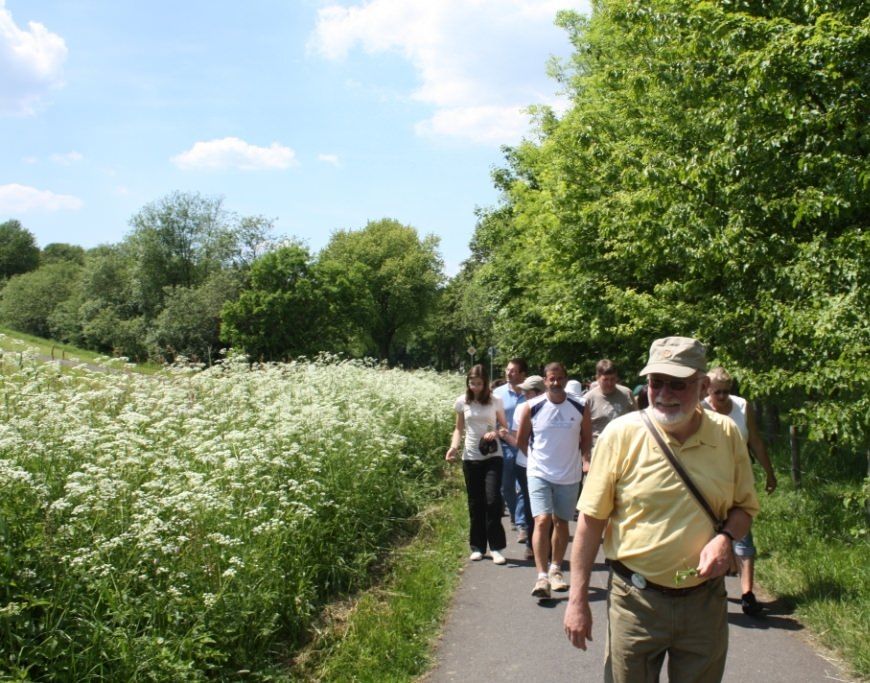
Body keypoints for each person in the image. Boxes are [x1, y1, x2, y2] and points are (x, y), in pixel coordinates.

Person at [564, 337, 760, 682]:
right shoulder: (620, 434)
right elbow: (590, 524)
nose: (664, 393)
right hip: (634, 603)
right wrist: (577, 601)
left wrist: (726, 538)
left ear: (702, 386)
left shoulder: (726, 434)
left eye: (677, 384)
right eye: (657, 382)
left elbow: (744, 508)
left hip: (704, 605)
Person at [702, 366, 777, 616]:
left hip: (739, 480)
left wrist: (769, 471)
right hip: (709, 482)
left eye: (726, 392)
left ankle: (747, 593)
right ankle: (713, 591)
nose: (722, 397)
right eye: (717, 392)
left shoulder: (742, 407)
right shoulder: (699, 409)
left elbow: (754, 440)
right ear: (708, 390)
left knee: (743, 534)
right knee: (710, 535)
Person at [517, 362, 592, 598]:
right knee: (542, 520)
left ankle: (556, 569)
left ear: (565, 379)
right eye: (551, 378)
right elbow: (522, 440)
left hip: (569, 475)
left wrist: (584, 461)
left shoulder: (580, 407)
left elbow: (586, 439)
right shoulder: (532, 407)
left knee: (561, 522)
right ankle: (541, 577)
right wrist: (537, 461)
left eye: (560, 378)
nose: (556, 383)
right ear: (545, 380)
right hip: (539, 472)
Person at [446, 364, 510, 565]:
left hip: (492, 455)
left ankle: (496, 548)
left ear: (485, 384)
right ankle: (478, 547)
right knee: (476, 502)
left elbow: (504, 427)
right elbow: (458, 429)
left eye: (479, 383)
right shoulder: (462, 401)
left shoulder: (495, 401)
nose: (475, 387)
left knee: (492, 500)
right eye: (471, 383)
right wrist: (454, 447)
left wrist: (496, 432)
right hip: (471, 456)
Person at [501, 374, 546, 560]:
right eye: (525, 391)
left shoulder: (550, 407)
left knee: (545, 510)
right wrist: (506, 436)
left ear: (538, 392)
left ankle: (545, 546)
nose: (525, 394)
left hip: (546, 465)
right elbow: (516, 438)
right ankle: (530, 545)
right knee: (529, 505)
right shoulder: (521, 408)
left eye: (528, 391)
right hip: (524, 465)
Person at [493, 358, 529, 541]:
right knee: (506, 486)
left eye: (513, 371)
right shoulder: (497, 394)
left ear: (523, 374)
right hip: (505, 445)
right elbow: (492, 418)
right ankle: (516, 516)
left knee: (523, 484)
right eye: (507, 370)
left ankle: (522, 523)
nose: (509, 373)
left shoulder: (530, 394)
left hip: (524, 445)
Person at [584, 359, 637, 456]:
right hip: (599, 452)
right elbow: (582, 431)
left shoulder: (627, 394)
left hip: (625, 450)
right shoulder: (588, 399)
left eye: (613, 379)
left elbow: (637, 421)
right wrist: (585, 459)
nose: (609, 383)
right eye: (605, 380)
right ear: (598, 378)